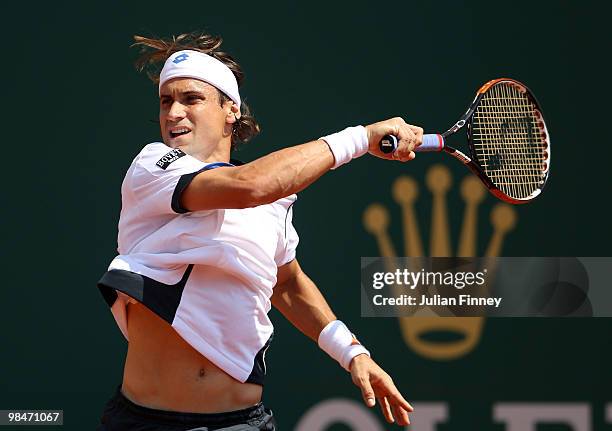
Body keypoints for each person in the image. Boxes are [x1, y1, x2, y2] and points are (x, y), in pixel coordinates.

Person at [96, 31, 422, 431]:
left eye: (191, 99)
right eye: (167, 101)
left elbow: (287, 284)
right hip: (145, 422)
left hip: (242, 423)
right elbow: (250, 187)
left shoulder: (274, 206)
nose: (174, 113)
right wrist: (360, 138)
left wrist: (352, 353)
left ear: (230, 110)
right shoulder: (153, 166)